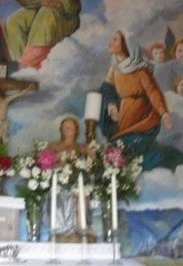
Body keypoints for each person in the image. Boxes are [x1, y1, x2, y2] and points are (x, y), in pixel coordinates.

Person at [100, 30, 172, 169]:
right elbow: (108, 88)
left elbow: (153, 92)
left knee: (136, 147)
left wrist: (163, 113)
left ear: (126, 45)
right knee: (121, 148)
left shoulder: (141, 70)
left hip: (143, 118)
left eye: (115, 39)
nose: (111, 42)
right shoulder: (115, 68)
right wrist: (111, 104)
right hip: (124, 114)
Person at [46, 116, 91, 238]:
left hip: (76, 183)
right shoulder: (54, 146)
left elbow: (91, 163)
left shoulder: (81, 148)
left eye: (70, 127)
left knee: (82, 194)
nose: (68, 129)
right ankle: (59, 229)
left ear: (76, 130)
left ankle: (80, 228)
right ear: (61, 130)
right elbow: (46, 162)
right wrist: (58, 159)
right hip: (58, 182)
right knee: (57, 195)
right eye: (65, 127)